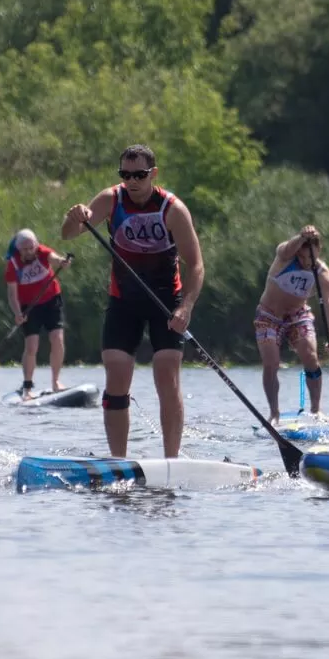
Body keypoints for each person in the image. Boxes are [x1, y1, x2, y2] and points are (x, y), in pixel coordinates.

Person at [60, 144, 204, 458]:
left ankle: (171, 459)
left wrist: (186, 307)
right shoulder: (111, 200)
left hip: (166, 300)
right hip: (124, 299)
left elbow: (195, 265)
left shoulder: (172, 209)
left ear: (153, 174)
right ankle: (118, 460)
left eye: (139, 175)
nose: (132, 181)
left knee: (166, 375)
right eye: (125, 174)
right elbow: (68, 234)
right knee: (116, 373)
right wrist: (75, 217)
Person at [254, 225, 329, 424]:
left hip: (297, 315)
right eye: (301, 257)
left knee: (311, 356)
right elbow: (285, 249)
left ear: (318, 252)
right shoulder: (285, 257)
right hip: (269, 315)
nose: (305, 262)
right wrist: (301, 237)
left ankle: (316, 411)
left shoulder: (323, 274)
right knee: (271, 363)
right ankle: (274, 413)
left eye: (310, 258)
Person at [5, 228, 72, 399]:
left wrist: (62, 262)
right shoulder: (13, 264)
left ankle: (56, 382)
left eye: (31, 248)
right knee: (32, 345)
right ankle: (27, 387)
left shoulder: (42, 252)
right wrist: (18, 313)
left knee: (57, 338)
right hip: (29, 306)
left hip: (51, 300)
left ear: (35, 245)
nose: (29, 252)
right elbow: (12, 295)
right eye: (25, 250)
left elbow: (54, 258)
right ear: (19, 249)